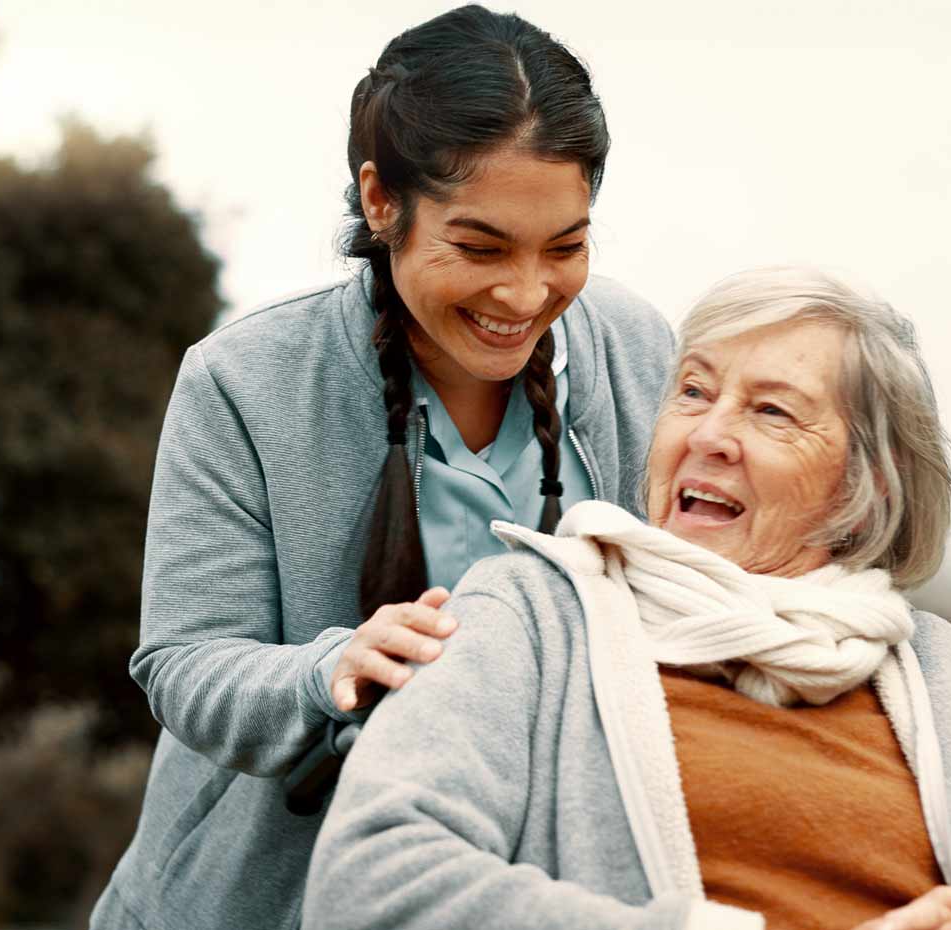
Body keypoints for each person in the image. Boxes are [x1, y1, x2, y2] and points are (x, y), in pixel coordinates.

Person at [304, 265, 951, 930]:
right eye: (691, 392)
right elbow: (368, 877)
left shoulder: (948, 678)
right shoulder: (531, 616)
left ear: (861, 486)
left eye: (769, 411)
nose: (708, 433)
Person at [90, 7, 674, 930]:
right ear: (380, 201)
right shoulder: (243, 381)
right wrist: (331, 670)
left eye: (565, 247)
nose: (525, 296)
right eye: (479, 248)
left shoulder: (636, 347)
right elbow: (184, 663)